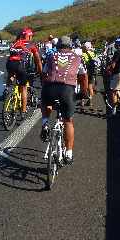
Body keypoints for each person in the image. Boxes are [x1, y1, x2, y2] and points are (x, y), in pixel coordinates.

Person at [40, 36, 87, 164]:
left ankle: (44, 124)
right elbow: (83, 76)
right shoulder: (77, 58)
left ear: (57, 46)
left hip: (50, 87)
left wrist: (45, 87)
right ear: (70, 46)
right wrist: (84, 92)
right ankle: (69, 153)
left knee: (46, 103)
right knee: (68, 121)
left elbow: (44, 74)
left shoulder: (51, 56)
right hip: (67, 89)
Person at [6, 27, 43, 118]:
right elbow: (38, 60)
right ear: (29, 36)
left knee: (12, 73)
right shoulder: (31, 44)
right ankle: (23, 111)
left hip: (10, 63)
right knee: (23, 88)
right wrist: (40, 71)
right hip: (20, 66)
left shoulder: (15, 42)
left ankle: (7, 87)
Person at [82, 41, 97, 106]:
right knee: (90, 86)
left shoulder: (83, 54)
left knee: (83, 86)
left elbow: (82, 62)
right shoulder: (93, 54)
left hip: (85, 71)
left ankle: (82, 100)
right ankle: (90, 100)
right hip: (92, 71)